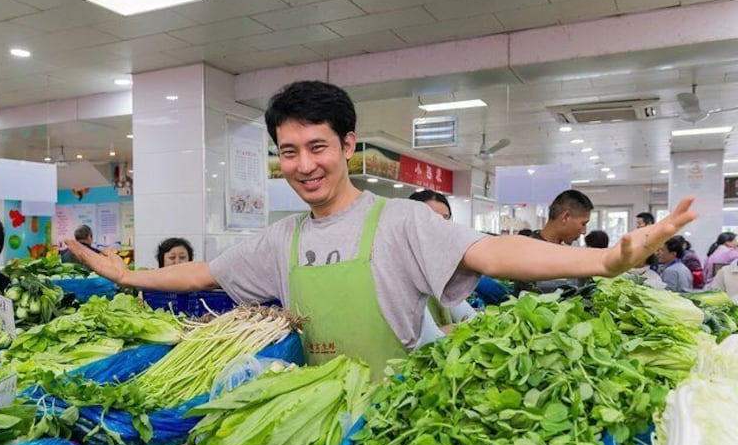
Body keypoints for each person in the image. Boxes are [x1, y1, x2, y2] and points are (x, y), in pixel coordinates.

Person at [66, 80, 696, 380]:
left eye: (318, 146)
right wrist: (128, 274)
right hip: (312, 407)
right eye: (288, 152)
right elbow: (204, 271)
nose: (304, 165)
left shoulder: (402, 221)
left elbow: (494, 252)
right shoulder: (281, 240)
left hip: (393, 411)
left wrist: (603, 261)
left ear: (346, 144)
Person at [407, 189, 476, 337]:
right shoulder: (401, 269)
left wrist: (452, 328)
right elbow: (430, 339)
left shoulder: (440, 268)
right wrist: (458, 327)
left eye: (446, 218)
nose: (441, 226)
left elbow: (471, 319)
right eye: (432, 218)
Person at [515, 189, 594, 293]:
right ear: (566, 217)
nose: (584, 231)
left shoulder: (567, 255)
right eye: (583, 224)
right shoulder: (528, 253)